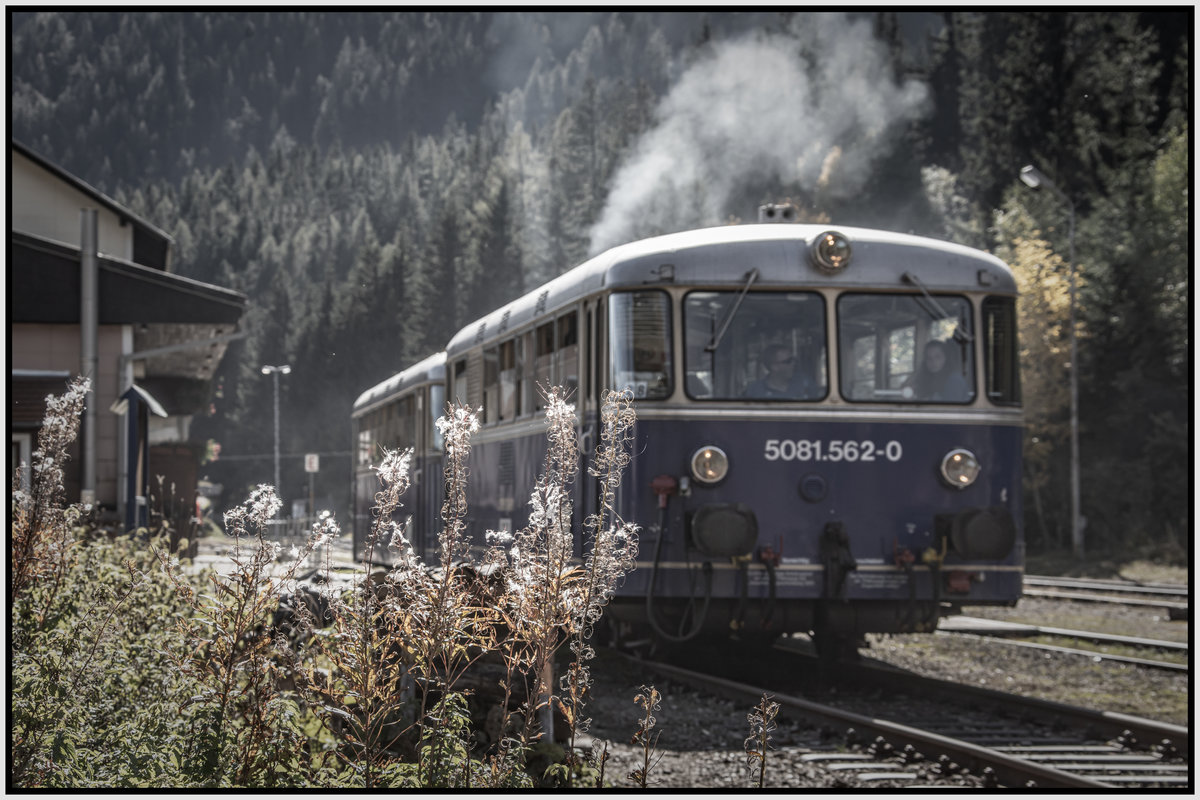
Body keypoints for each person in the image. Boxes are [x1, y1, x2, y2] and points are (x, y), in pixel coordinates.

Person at [745, 344, 815, 399]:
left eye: (793, 359)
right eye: (788, 361)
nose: (793, 363)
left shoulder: (804, 382)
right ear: (774, 367)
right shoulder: (755, 391)